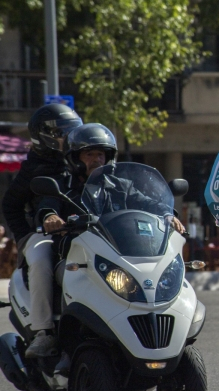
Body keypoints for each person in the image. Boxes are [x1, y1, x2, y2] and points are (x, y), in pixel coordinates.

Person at [25, 123, 184, 358]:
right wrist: (50, 217)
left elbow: (149, 204)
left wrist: (168, 215)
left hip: (114, 255)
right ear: (76, 158)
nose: (96, 159)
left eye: (101, 154)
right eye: (89, 154)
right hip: (76, 257)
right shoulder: (64, 186)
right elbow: (48, 205)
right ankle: (45, 333)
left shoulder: (121, 186)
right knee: (43, 265)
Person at [2, 104, 82, 249]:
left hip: (83, 232)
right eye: (62, 132)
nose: (69, 137)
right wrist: (24, 236)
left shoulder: (78, 161)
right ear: (43, 135)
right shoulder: (33, 169)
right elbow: (10, 205)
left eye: (72, 131)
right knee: (40, 262)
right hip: (47, 237)